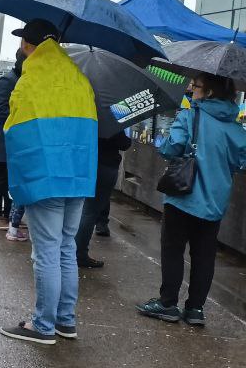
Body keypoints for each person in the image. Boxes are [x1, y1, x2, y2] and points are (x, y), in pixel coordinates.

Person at [0, 19, 97, 345]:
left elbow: (15, 126)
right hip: (78, 175)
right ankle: (65, 321)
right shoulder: (79, 78)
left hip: (45, 177)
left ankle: (42, 325)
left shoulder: (30, 79)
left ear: (28, 45)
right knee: (67, 247)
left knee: (46, 252)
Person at [138, 73, 246, 327]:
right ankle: (196, 309)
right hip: (215, 201)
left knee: (173, 250)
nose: (191, 89)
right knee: (204, 255)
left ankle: (168, 304)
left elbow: (171, 148)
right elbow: (240, 162)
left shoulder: (190, 115)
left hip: (183, 196)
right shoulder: (236, 127)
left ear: (209, 92)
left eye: (196, 87)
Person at [75, 130, 132, 268]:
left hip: (86, 163)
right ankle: (79, 254)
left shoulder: (91, 118)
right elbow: (124, 143)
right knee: (90, 212)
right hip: (105, 166)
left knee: (84, 209)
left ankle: (74, 251)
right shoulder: (110, 122)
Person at [0, 50, 24, 231]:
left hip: (16, 141)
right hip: (3, 141)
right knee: (0, 180)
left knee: (12, 181)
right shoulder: (7, 81)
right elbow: (1, 110)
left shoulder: (22, 80)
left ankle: (9, 215)